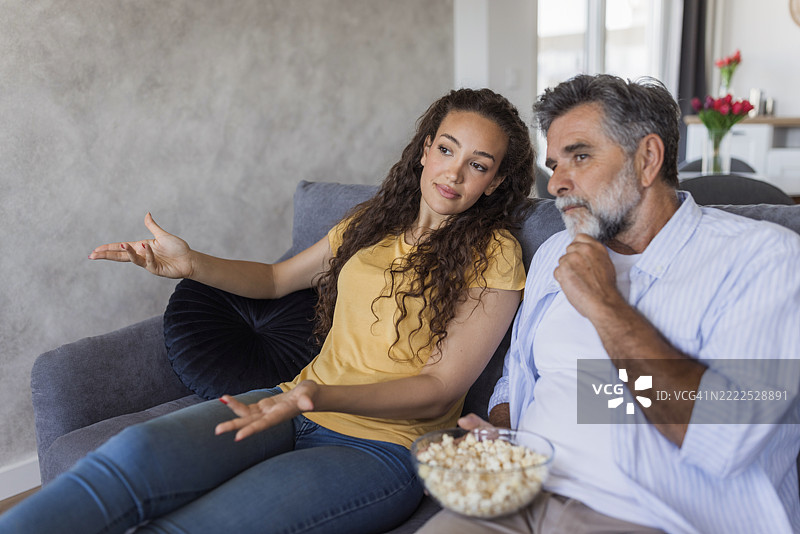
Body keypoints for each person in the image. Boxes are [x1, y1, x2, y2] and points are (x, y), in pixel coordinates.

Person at [0, 88, 533, 534]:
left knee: (200, 526)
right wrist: (191, 264)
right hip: (287, 405)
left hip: (380, 449)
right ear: (423, 149)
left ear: (495, 181)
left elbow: (440, 385)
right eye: (447, 149)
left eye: (477, 165)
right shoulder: (373, 220)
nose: (454, 173)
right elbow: (277, 279)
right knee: (129, 460)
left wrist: (314, 396)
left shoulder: (496, 254)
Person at [417, 74, 800, 534]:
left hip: (649, 516)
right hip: (517, 496)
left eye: (580, 156)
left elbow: (724, 434)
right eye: (554, 163)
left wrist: (604, 305)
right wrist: (499, 436)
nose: (557, 183)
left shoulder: (763, 259)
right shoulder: (556, 254)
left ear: (647, 159)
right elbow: (517, 380)